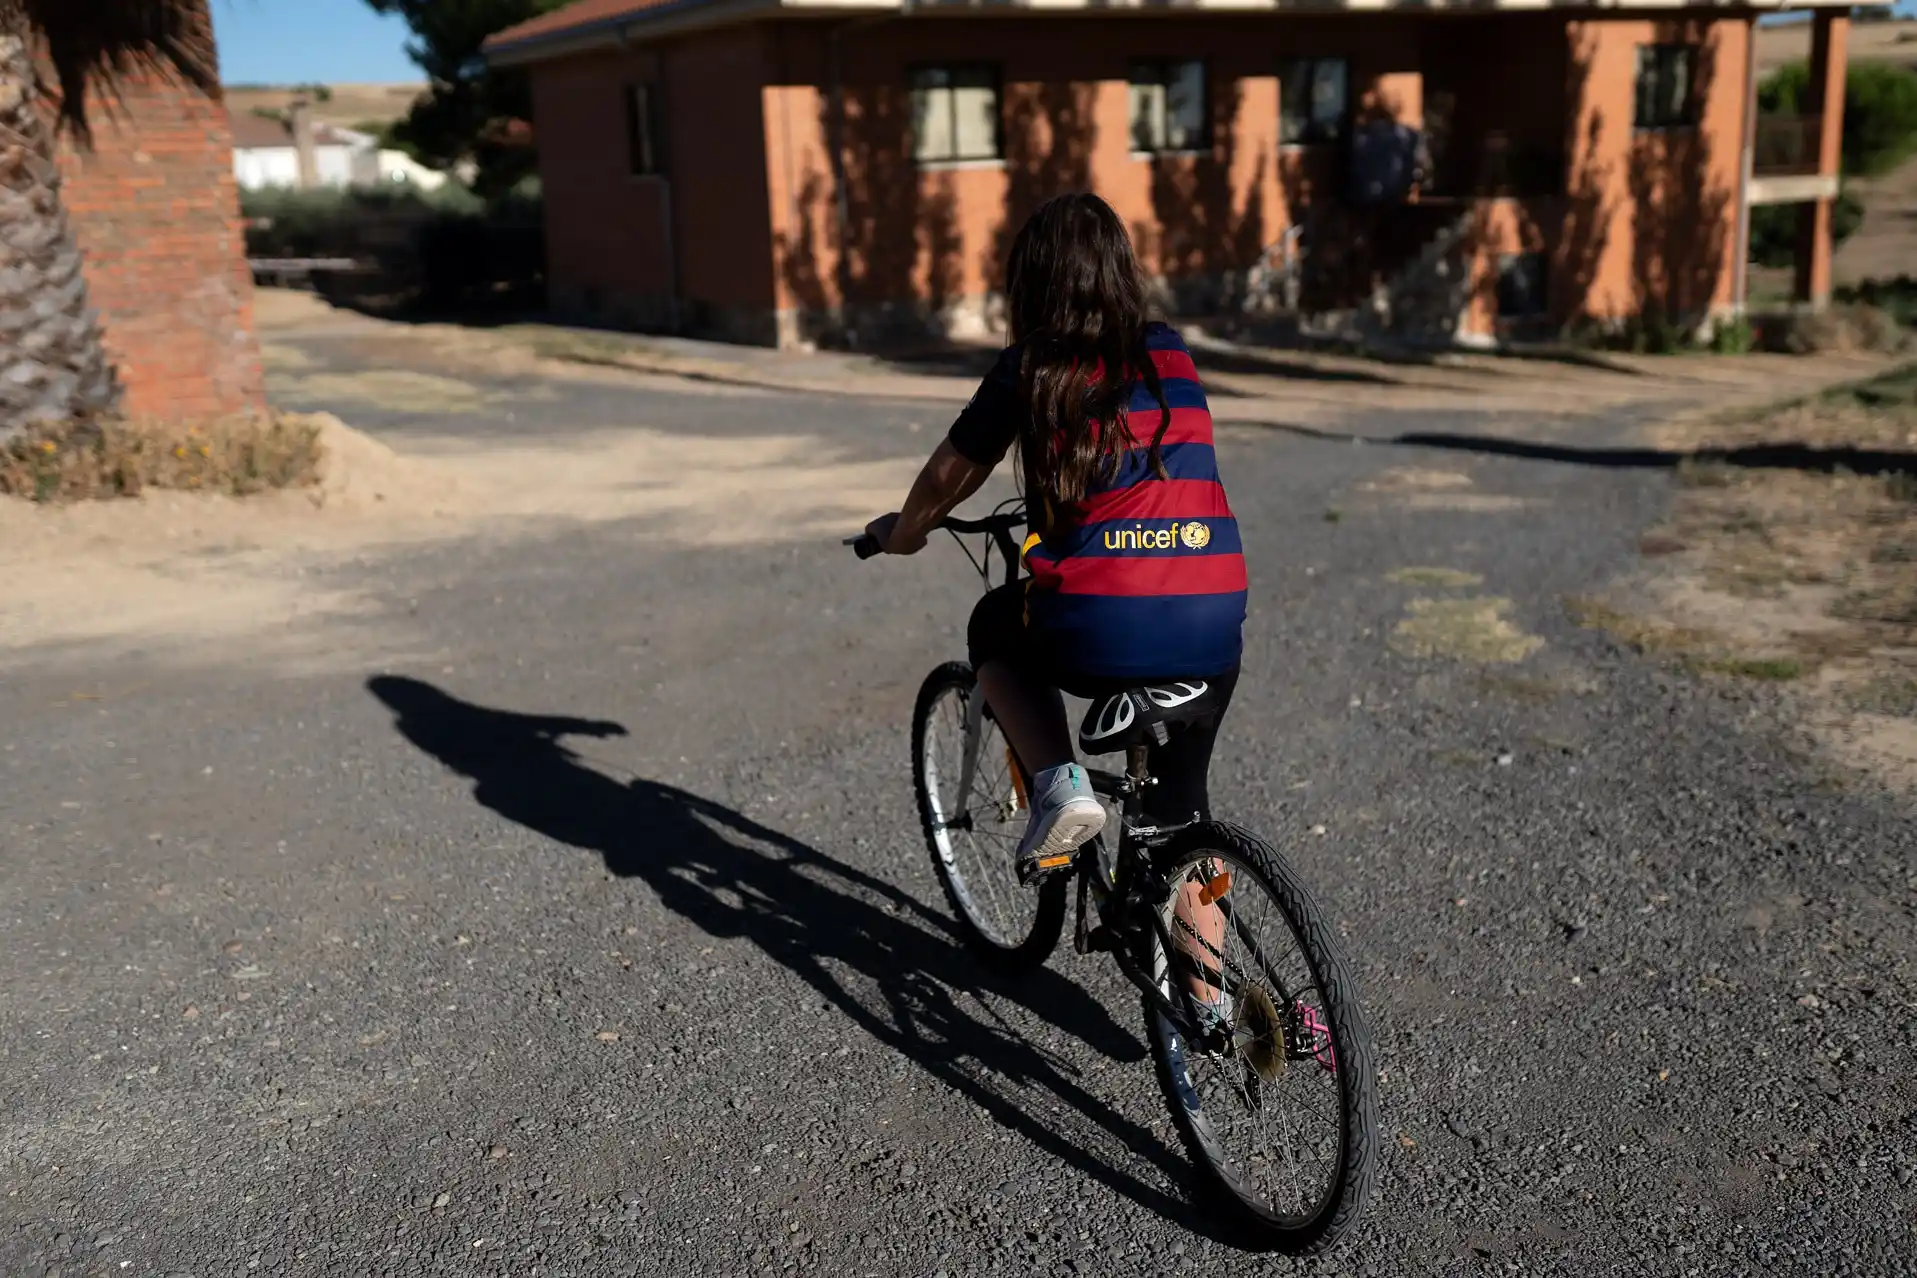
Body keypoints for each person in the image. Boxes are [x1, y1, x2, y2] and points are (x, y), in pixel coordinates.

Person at [864, 192, 1247, 886]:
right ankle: (1208, 996)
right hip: (1211, 614)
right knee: (1180, 819)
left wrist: (904, 533)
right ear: (1120, 270)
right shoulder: (1170, 352)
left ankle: (1058, 788)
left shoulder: (1031, 367)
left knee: (994, 623)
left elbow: (948, 476)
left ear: (1030, 281)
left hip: (1104, 620)